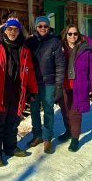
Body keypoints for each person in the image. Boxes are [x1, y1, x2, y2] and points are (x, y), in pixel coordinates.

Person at [0, 17, 38, 167]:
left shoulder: (24, 50)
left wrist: (33, 90)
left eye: (16, 29)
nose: (12, 32)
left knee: (12, 123)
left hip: (16, 94)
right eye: (9, 29)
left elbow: (30, 71)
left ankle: (10, 148)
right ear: (4, 31)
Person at [57, 24, 92, 152]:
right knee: (65, 111)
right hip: (63, 85)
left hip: (79, 86)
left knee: (75, 113)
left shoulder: (85, 49)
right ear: (66, 35)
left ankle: (75, 139)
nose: (72, 36)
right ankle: (68, 131)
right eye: (70, 34)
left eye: (75, 33)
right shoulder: (60, 48)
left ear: (79, 35)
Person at [25, 16, 66, 154]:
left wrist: (58, 84)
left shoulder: (54, 42)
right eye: (40, 26)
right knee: (34, 110)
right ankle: (37, 135)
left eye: (45, 26)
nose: (43, 28)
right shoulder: (30, 42)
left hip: (48, 82)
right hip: (33, 82)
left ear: (49, 27)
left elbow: (60, 64)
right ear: (36, 27)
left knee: (48, 110)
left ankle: (47, 138)